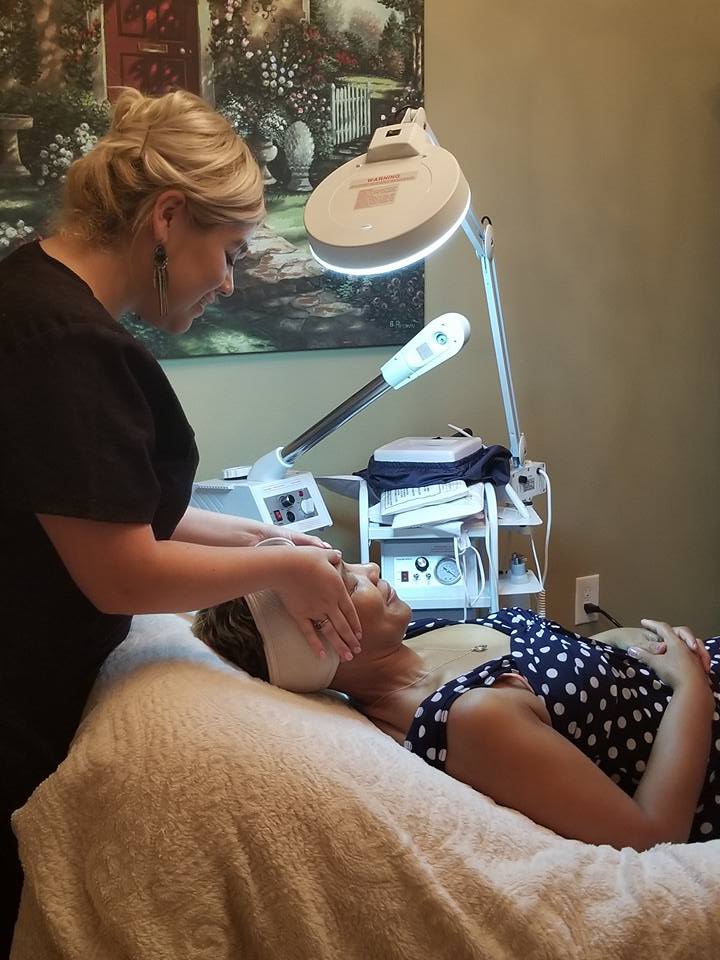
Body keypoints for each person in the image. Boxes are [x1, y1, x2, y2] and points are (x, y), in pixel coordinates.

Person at [0, 88, 362, 952]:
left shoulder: (31, 289)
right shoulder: (66, 345)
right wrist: (279, 571)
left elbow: (120, 509)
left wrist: (268, 541)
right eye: (229, 250)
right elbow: (120, 569)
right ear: (168, 218)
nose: (231, 282)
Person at [193, 545, 720, 852]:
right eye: (349, 585)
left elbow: (576, 667)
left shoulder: (421, 632)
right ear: (323, 642)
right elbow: (652, 834)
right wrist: (690, 687)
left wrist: (643, 645)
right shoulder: (471, 718)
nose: (371, 571)